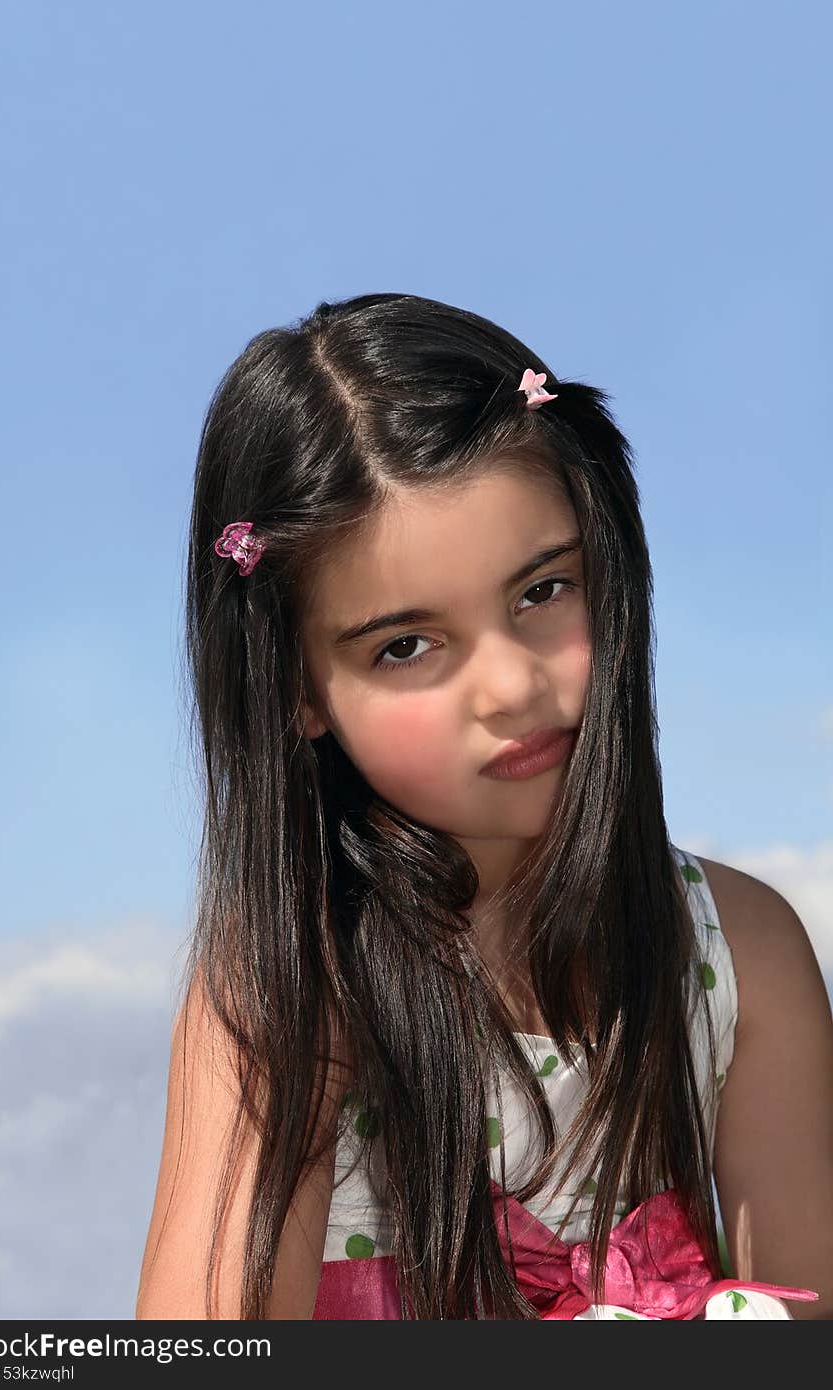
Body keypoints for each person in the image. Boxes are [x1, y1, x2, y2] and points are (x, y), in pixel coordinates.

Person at [135, 292, 832, 1320]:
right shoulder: (290, 982)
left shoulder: (738, 953)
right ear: (294, 688)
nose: (508, 686)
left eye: (542, 590)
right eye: (404, 645)